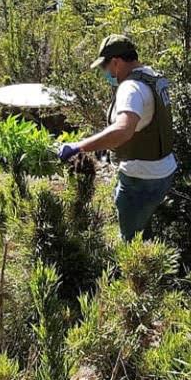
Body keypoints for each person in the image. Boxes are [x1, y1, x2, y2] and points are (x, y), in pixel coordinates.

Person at [58, 34, 177, 240]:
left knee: (131, 242)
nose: (106, 74)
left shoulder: (130, 88)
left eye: (105, 68)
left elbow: (123, 130)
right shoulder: (151, 76)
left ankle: (137, 270)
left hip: (141, 176)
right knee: (143, 227)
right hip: (163, 170)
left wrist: (79, 147)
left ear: (116, 62)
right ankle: (151, 256)